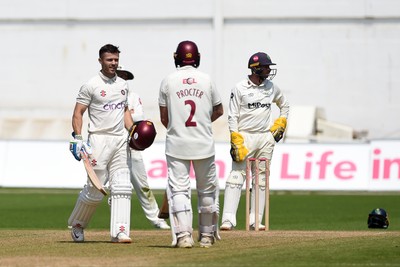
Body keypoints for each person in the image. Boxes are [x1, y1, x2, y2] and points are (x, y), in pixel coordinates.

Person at [158, 40, 224, 248]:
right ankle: (206, 236)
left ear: (176, 57)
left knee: (178, 190)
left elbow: (164, 117)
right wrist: (202, 123)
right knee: (206, 190)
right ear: (198, 57)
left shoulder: (168, 81)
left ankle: (184, 236)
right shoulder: (207, 80)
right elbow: (219, 110)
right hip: (203, 143)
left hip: (177, 144)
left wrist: (179, 127)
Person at [68, 44, 135, 243]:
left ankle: (120, 231)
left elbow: (125, 113)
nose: (113, 63)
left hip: (120, 140)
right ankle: (78, 225)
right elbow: (78, 113)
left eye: (115, 59)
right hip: (98, 140)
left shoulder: (123, 85)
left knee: (122, 185)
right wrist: (78, 139)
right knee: (95, 189)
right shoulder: (91, 85)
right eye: (109, 60)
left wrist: (133, 131)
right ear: (100, 61)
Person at [220, 52, 289, 231]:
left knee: (262, 179)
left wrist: (281, 121)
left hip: (266, 137)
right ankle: (228, 220)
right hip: (245, 136)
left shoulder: (271, 87)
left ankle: (255, 220)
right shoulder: (240, 88)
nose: (268, 70)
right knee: (236, 176)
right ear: (256, 68)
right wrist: (235, 137)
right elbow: (232, 115)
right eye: (266, 67)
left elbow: (284, 105)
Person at [116, 66, 170, 230]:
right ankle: (82, 222)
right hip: (112, 144)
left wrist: (124, 118)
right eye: (119, 76)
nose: (122, 79)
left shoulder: (133, 97)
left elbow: (139, 119)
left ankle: (156, 219)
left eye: (125, 76)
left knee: (142, 184)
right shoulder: (105, 94)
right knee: (105, 185)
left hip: (132, 145)